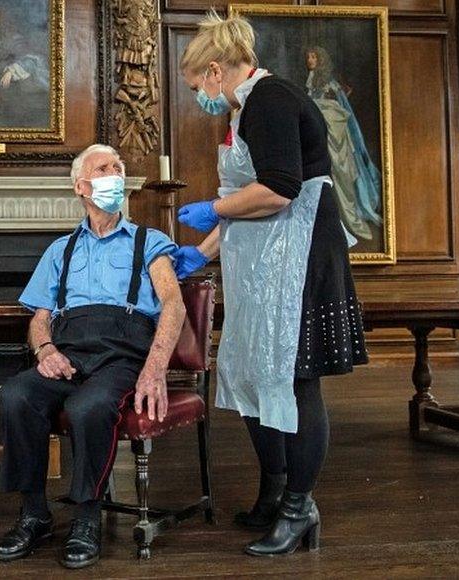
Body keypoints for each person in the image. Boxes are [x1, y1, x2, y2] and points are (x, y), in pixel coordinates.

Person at [172, 12, 368, 556]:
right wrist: (203, 254)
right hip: (266, 260)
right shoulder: (246, 108)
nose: (200, 99)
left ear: (215, 72)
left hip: (301, 259)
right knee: (259, 372)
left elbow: (279, 190)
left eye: (196, 88)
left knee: (296, 377)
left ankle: (300, 507)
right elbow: (246, 205)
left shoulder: (271, 101)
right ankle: (274, 491)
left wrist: (211, 208)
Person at [0, 144, 185, 569]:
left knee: (89, 407)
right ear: (81, 186)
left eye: (118, 166)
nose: (115, 173)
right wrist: (45, 350)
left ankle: (87, 516)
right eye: (103, 168)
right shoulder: (60, 250)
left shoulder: (148, 242)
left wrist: (155, 368)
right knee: (15, 396)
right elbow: (40, 317)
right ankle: (34, 513)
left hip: (122, 355)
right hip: (69, 351)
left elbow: (173, 304)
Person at [304, 46, 382, 241]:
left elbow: (340, 106)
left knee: (341, 173)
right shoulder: (311, 80)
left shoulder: (330, 84)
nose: (310, 60)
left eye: (313, 57)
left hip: (335, 134)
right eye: (308, 57)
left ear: (320, 60)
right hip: (321, 132)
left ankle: (349, 218)